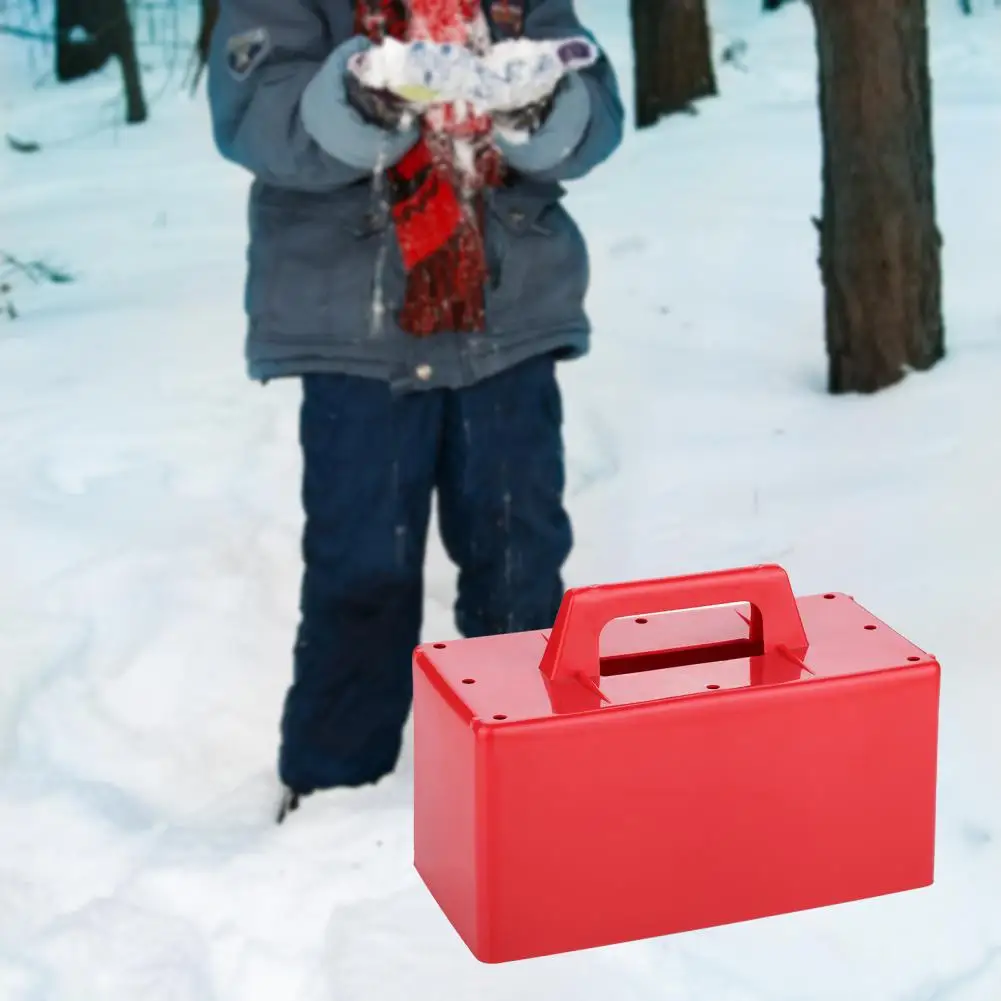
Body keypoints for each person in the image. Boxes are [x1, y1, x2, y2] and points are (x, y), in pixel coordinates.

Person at [207, 0, 623, 821]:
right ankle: (334, 794)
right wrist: (368, 97)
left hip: (504, 319)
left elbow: (595, 116)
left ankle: (532, 774)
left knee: (519, 556)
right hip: (354, 332)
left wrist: (537, 100)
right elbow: (255, 116)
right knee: (363, 565)